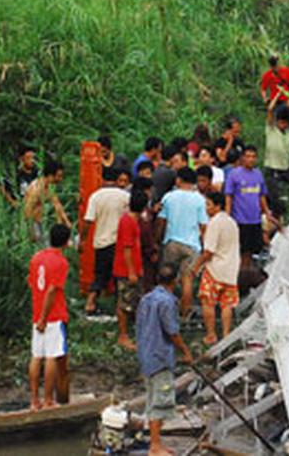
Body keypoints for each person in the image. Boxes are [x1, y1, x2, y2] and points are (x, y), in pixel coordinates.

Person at [136, 266, 195, 456]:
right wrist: (186, 351)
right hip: (160, 358)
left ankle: (156, 443)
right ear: (175, 281)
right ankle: (154, 446)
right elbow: (172, 332)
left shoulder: (146, 299)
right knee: (159, 403)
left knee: (153, 398)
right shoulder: (167, 302)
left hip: (147, 355)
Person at [28, 224, 71, 411]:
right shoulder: (61, 262)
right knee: (52, 356)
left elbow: (31, 283)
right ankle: (48, 400)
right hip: (52, 315)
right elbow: (53, 290)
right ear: (66, 242)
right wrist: (45, 318)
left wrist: (39, 316)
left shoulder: (37, 258)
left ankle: (34, 400)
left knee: (36, 356)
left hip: (37, 313)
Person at [157, 167, 209, 317]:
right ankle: (185, 314)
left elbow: (161, 221)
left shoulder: (169, 197)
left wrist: (157, 240)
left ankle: (166, 313)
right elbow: (203, 226)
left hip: (171, 242)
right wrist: (205, 247)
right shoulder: (200, 200)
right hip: (192, 245)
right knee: (188, 281)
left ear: (178, 180)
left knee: (168, 278)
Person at [191, 192, 241, 344]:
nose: (206, 208)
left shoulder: (214, 223)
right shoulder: (231, 222)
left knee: (208, 302)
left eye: (208, 204)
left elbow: (208, 252)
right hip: (231, 269)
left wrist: (196, 267)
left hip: (215, 269)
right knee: (227, 304)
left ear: (217, 206)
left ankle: (211, 335)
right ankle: (226, 335)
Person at [83, 180, 130, 318]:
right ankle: (119, 309)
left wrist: (83, 240)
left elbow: (88, 220)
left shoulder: (96, 196)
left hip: (102, 242)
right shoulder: (125, 196)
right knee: (119, 277)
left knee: (100, 275)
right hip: (119, 243)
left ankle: (90, 304)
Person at [225, 146, 276, 269]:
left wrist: (267, 212)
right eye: (248, 156)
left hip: (255, 219)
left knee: (250, 252)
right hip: (240, 219)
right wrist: (227, 216)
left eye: (253, 156)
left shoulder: (258, 174)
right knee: (239, 250)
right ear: (242, 158)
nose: (251, 159)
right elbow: (229, 196)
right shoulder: (234, 174)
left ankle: (246, 276)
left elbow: (261, 196)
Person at [114, 191, 147, 351]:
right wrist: (131, 271)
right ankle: (123, 335)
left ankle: (131, 333)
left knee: (133, 301)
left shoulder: (133, 220)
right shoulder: (128, 222)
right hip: (126, 270)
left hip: (134, 268)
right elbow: (126, 248)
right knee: (124, 303)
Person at [23, 160, 71, 244]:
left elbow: (57, 204)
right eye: (58, 176)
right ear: (50, 175)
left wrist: (66, 222)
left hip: (39, 223)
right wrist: (31, 232)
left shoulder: (48, 187)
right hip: (32, 225)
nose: (60, 179)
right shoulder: (36, 189)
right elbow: (27, 211)